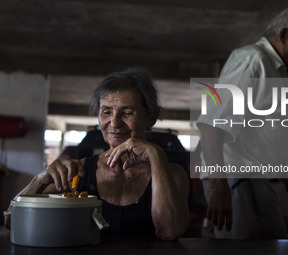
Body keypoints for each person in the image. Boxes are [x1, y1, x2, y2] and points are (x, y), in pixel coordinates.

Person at [4, 67, 190, 240]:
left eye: (127, 112)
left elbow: (169, 232)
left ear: (150, 119)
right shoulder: (78, 172)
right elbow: (10, 221)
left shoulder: (173, 175)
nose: (114, 123)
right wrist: (38, 180)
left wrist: (155, 155)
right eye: (106, 112)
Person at [196, 7, 288, 239]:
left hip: (250, 178)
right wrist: (218, 186)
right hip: (237, 177)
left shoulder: (272, 71)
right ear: (284, 35)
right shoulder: (253, 62)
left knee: (269, 240)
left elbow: (264, 146)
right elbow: (212, 124)